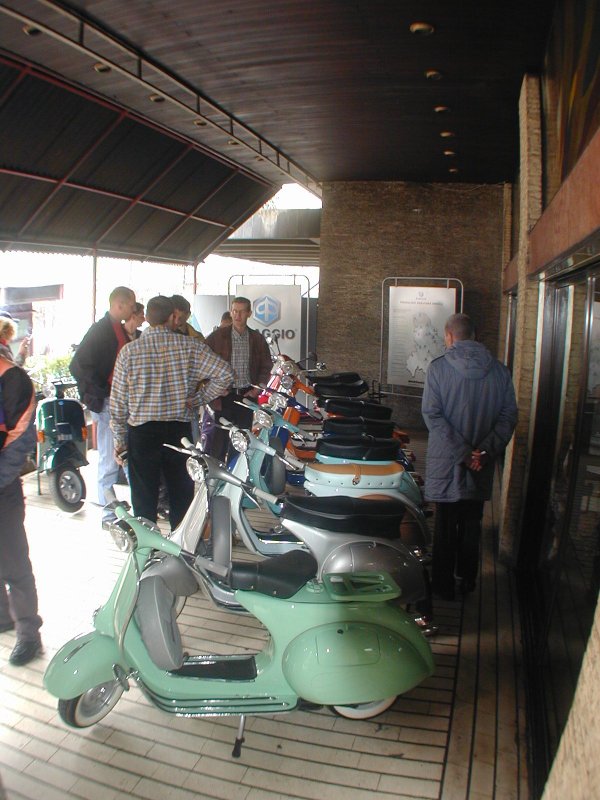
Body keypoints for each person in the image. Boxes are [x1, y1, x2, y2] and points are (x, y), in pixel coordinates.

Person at [109, 295, 233, 529]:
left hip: (142, 432)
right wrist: (198, 399)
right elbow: (225, 374)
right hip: (179, 432)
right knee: (180, 495)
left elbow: (118, 403)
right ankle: (181, 545)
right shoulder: (190, 346)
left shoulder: (129, 351)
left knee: (143, 498)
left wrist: (119, 440)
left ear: (147, 318)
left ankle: (147, 546)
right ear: (172, 317)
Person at [421, 313, 518, 600]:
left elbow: (432, 415)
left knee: (445, 524)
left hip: (447, 462)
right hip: (481, 463)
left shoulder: (438, 369)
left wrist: (462, 453)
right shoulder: (500, 372)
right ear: (475, 336)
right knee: (472, 522)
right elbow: (508, 417)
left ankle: (443, 585)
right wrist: (483, 452)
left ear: (449, 336)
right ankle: (467, 580)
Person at [69, 286, 136, 526]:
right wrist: (98, 392)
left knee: (123, 456)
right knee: (109, 460)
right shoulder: (100, 330)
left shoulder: (117, 329)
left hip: (117, 400)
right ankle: (108, 514)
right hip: (107, 401)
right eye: (131, 306)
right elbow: (77, 366)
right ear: (120, 304)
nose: (133, 310)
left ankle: (123, 510)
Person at [0, 348, 43, 666]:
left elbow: (22, 438)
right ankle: (3, 617)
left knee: (15, 563)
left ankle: (29, 633)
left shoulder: (12, 378)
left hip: (2, 488)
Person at [204, 296, 272, 461]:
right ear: (231, 312)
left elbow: (266, 366)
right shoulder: (217, 337)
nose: (237, 315)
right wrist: (213, 387)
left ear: (249, 313)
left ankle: (237, 474)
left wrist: (257, 389)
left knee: (242, 442)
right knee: (219, 441)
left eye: (241, 312)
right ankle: (217, 475)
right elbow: (203, 363)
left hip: (246, 395)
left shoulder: (257, 339)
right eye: (234, 311)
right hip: (223, 396)